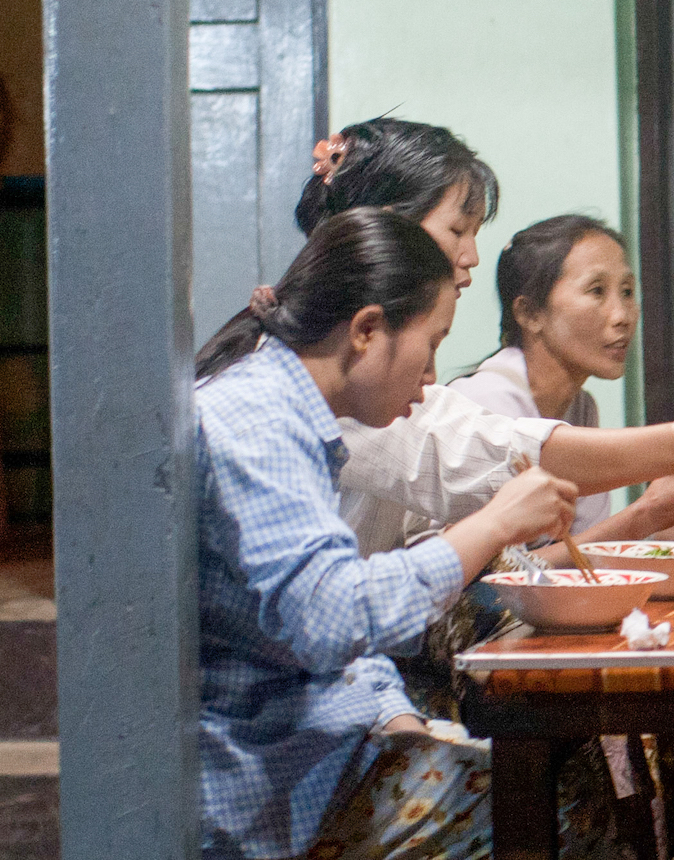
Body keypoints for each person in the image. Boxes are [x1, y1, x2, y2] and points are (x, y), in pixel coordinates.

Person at [195, 209, 604, 859]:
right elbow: (333, 615)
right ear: (366, 331)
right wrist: (493, 524)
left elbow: (320, 625)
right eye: (430, 344)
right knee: (556, 803)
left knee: (559, 772)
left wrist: (397, 717)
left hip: (319, 746)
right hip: (271, 790)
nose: (431, 375)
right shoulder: (260, 425)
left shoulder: (284, 406)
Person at [302, 118, 674, 556]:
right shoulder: (337, 368)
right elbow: (483, 457)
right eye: (457, 231)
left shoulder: (580, 404)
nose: (471, 257)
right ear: (385, 230)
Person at [448, 215, 635, 535]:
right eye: (596, 291)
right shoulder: (487, 404)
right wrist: (649, 513)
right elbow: (494, 563)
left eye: (628, 291)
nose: (622, 316)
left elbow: (581, 547)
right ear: (530, 313)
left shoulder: (581, 407)